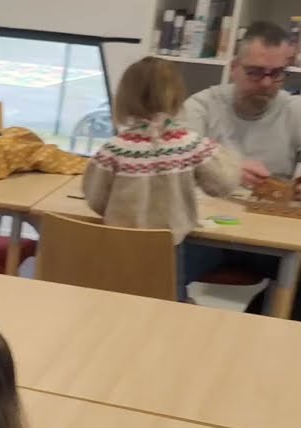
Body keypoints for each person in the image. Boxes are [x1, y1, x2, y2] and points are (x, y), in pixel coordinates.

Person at [83, 56, 240, 301]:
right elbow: (224, 184)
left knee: (115, 307)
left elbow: (94, 199)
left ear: (124, 99)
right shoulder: (190, 144)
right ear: (177, 98)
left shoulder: (114, 149)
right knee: (166, 309)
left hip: (117, 250)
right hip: (168, 250)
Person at [183, 21, 301, 191]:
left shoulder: (294, 110)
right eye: (255, 72)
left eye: (276, 73)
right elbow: (176, 169)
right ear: (234, 68)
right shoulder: (201, 107)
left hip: (270, 213)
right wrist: (227, 172)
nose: (266, 83)